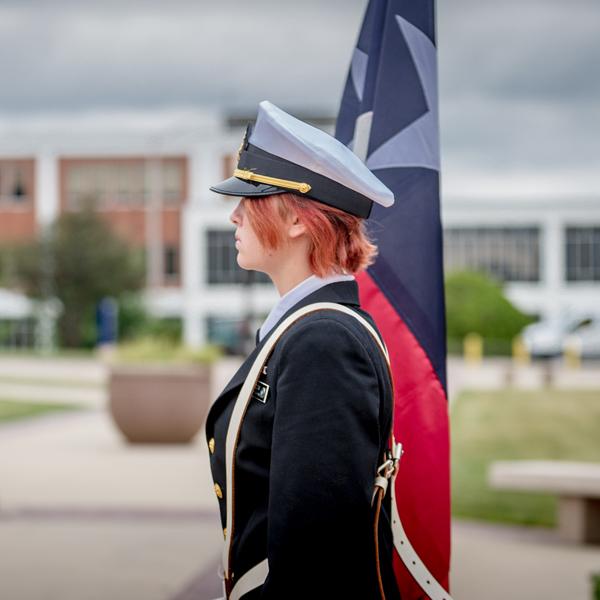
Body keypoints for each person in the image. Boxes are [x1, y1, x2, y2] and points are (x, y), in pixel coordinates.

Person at [205, 101, 401, 600]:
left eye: (249, 201)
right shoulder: (309, 329)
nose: (233, 215)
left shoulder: (323, 343)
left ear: (294, 218)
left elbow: (315, 569)